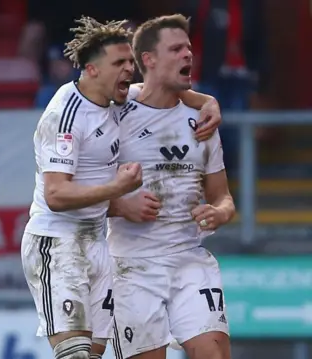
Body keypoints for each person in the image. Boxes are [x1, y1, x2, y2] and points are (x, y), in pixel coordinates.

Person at [20, 16, 222, 359]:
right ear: (91, 70)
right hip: (57, 242)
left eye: (131, 61)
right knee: (76, 355)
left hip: (98, 244)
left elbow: (163, 89)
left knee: (95, 353)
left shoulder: (116, 104)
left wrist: (207, 101)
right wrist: (118, 190)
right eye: (120, 63)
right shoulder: (65, 114)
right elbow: (55, 196)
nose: (129, 69)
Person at [107, 14, 234, 359]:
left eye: (189, 48)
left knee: (214, 353)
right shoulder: (113, 113)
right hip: (131, 265)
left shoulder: (203, 121)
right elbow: (74, 193)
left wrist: (218, 213)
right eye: (176, 49)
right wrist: (121, 206)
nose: (188, 55)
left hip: (188, 257)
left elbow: (224, 197)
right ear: (147, 59)